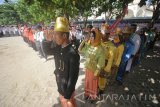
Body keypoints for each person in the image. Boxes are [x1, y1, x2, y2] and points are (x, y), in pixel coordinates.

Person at [52, 17, 80, 107]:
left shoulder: (73, 54)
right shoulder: (59, 48)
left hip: (67, 90)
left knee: (69, 104)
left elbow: (73, 78)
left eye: (56, 35)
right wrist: (46, 41)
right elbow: (48, 50)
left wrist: (68, 94)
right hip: (60, 85)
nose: (54, 37)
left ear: (64, 36)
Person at [78, 28, 105, 102]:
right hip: (87, 69)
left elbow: (101, 63)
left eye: (92, 36)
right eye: (90, 36)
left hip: (94, 71)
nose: (91, 38)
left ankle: (93, 97)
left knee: (93, 84)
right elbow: (79, 49)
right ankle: (87, 94)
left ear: (97, 37)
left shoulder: (100, 49)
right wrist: (84, 40)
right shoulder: (89, 46)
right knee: (87, 82)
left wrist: (96, 73)